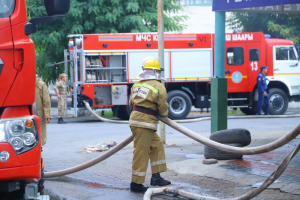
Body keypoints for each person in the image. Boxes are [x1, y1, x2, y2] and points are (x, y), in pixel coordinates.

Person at [129, 57, 171, 192]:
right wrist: (164, 115)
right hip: (144, 123)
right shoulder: (159, 86)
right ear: (156, 72)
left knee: (157, 145)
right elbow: (163, 106)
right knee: (141, 152)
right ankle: (135, 184)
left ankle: (156, 177)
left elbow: (131, 103)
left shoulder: (136, 85)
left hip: (137, 120)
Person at [35, 74, 51, 146]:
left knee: (40, 133)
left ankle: (39, 152)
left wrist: (47, 114)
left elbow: (46, 101)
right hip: (25, 113)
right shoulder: (22, 82)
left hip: (39, 113)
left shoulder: (40, 85)